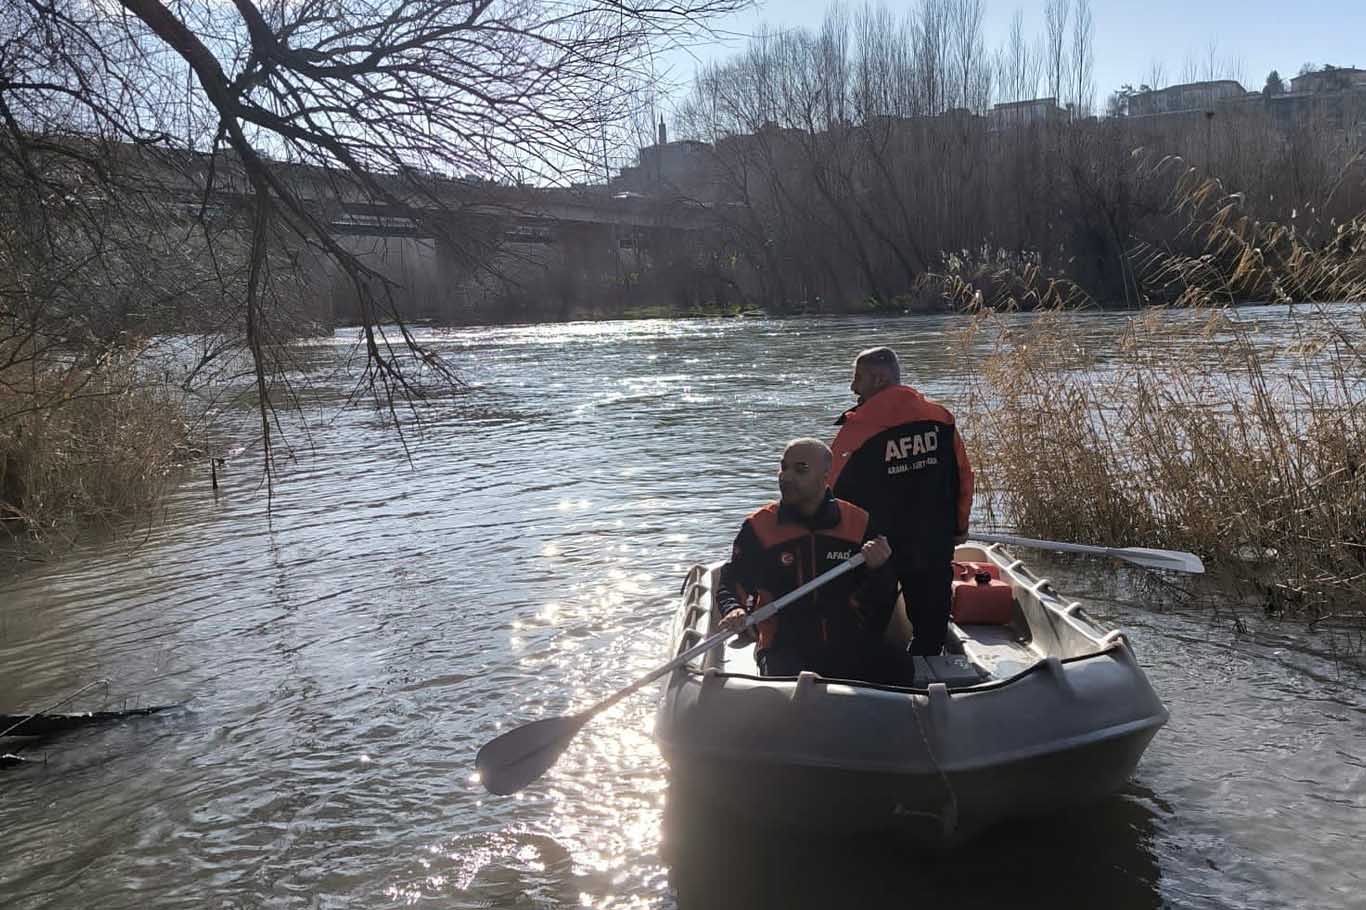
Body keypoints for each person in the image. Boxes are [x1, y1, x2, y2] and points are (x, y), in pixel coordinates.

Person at [828, 347, 973, 656]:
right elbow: (963, 476)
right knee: (931, 620)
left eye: (858, 378)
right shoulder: (941, 419)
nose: (853, 387)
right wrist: (960, 526)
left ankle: (871, 674)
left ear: (879, 379)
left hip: (878, 548)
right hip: (934, 541)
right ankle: (929, 664)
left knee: (868, 621)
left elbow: (829, 496)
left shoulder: (857, 431)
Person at [716, 438, 895, 679]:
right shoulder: (758, 527)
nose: (786, 477)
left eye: (801, 469)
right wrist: (734, 609)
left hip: (846, 636)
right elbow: (732, 580)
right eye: (784, 467)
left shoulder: (858, 522)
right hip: (783, 643)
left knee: (899, 667)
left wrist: (879, 568)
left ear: (825, 476)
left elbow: (881, 596)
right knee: (788, 682)